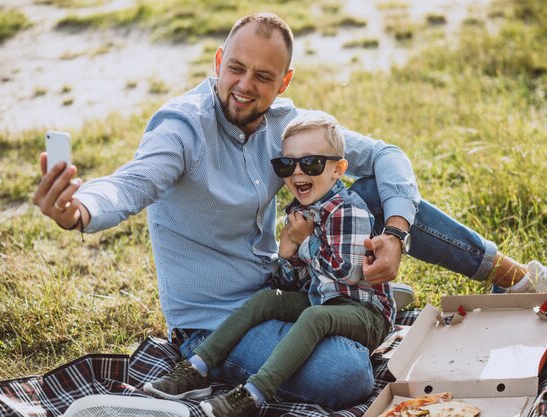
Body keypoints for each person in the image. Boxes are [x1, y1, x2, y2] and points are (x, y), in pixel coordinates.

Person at [32, 12, 547, 410]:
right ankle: (343, 310)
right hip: (216, 318)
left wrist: (398, 233)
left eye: (262, 76)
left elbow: (386, 155)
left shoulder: (286, 125)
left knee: (381, 191)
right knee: (347, 376)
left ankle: (520, 279)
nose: (244, 86)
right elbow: (131, 184)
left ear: (284, 82)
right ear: (217, 61)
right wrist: (79, 209)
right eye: (235, 69)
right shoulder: (181, 128)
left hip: (291, 284)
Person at [143, 112, 395, 417]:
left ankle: (253, 394)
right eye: (287, 164)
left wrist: (305, 242)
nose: (298, 173)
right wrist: (288, 255)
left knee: (316, 317)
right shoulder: (301, 212)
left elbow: (348, 271)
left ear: (338, 169)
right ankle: (196, 368)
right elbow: (296, 282)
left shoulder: (348, 211)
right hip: (324, 300)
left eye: (312, 163)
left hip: (364, 313)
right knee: (267, 300)